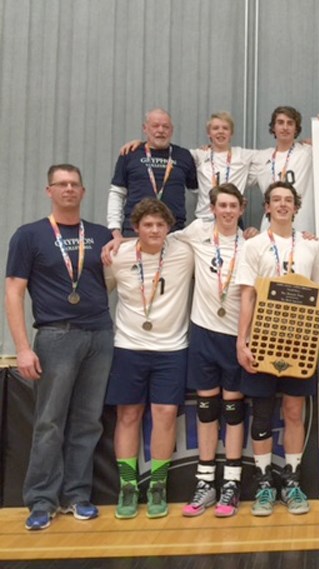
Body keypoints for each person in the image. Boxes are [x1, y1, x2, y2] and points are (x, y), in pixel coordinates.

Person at [5, 164, 114, 531]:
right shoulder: (29, 235)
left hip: (99, 335)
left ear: (83, 192)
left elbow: (112, 282)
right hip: (55, 337)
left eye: (74, 184)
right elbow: (14, 292)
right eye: (61, 184)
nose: (69, 189)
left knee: (87, 421)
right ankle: (41, 499)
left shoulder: (99, 236)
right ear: (49, 191)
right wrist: (22, 347)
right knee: (50, 422)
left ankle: (77, 495)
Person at [237, 181, 319, 516]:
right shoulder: (255, 245)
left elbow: (318, 294)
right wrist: (241, 340)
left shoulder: (310, 246)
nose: (283, 205)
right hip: (262, 340)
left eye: (289, 200)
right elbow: (246, 294)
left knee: (292, 412)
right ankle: (263, 484)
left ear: (296, 206)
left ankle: (291, 481)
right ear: (267, 207)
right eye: (276, 200)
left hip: (299, 342)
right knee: (261, 413)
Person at [104, 198, 194, 520]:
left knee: (166, 413)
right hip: (129, 346)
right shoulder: (118, 256)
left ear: (169, 228)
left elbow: (221, 236)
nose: (154, 230)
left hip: (171, 348)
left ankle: (158, 484)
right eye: (147, 225)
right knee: (128, 415)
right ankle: (128, 486)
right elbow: (101, 292)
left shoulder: (184, 251)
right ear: (135, 228)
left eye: (160, 224)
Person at [171, 184, 247, 518]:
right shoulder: (197, 233)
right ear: (213, 208)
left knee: (232, 411)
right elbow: (154, 238)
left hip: (235, 336)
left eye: (233, 206)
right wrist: (118, 241)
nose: (228, 211)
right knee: (205, 409)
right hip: (202, 332)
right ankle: (205, 483)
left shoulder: (252, 245)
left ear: (242, 209)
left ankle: (231, 483)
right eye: (222, 206)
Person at [119, 112, 266, 226]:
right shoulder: (197, 155)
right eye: (215, 128)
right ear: (209, 133)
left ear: (231, 133)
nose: (220, 132)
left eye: (225, 128)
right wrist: (140, 144)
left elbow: (273, 155)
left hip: (232, 219)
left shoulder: (244, 155)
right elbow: (166, 152)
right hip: (204, 220)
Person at [107, 108, 198, 238]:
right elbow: (117, 192)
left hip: (173, 234)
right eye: (155, 126)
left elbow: (200, 192)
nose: (160, 130)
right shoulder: (130, 153)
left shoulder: (184, 155)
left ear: (171, 130)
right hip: (134, 232)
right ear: (145, 128)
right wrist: (114, 229)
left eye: (165, 126)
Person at [257, 106, 316, 235]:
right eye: (280, 122)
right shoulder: (260, 158)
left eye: (290, 123)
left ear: (296, 129)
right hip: (270, 228)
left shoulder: (308, 152)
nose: (285, 127)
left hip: (302, 228)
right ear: (273, 127)